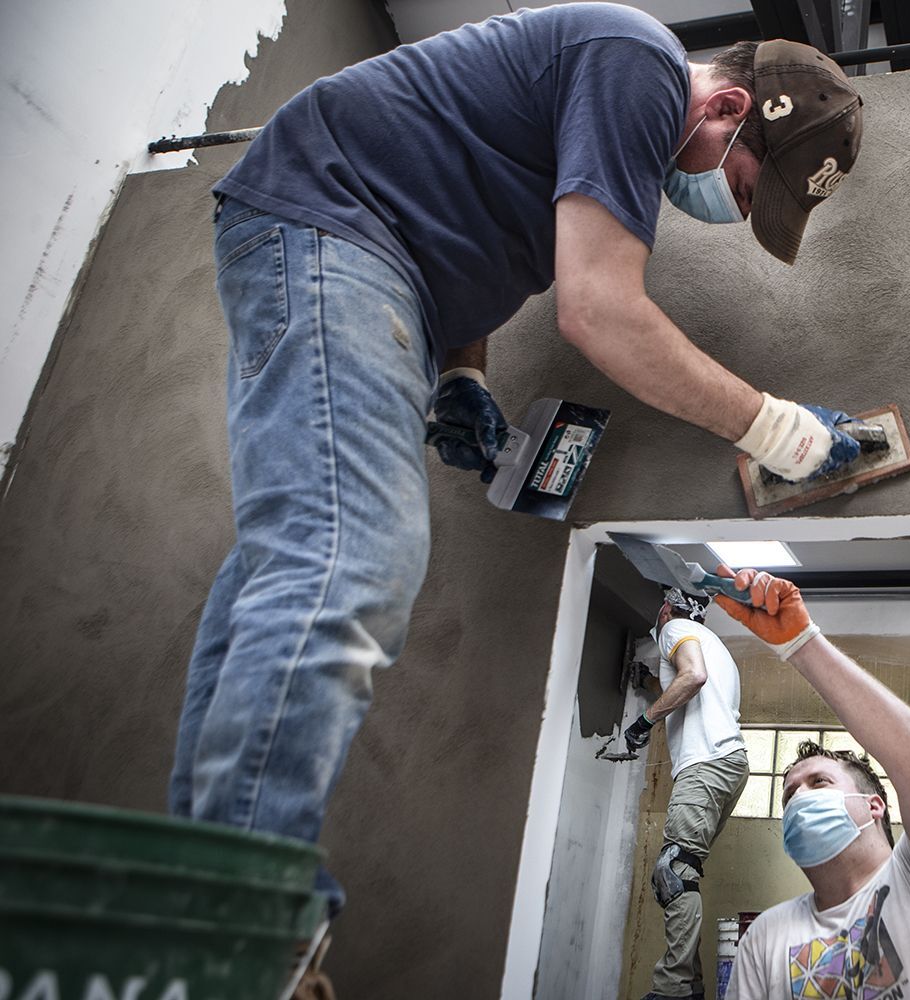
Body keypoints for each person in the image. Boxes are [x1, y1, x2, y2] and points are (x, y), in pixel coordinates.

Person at [164, 1, 866, 990]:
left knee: (282, 571)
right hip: (334, 224)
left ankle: (190, 888)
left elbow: (466, 213)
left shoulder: (599, 124)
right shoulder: (640, 63)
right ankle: (230, 911)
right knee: (358, 553)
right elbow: (598, 310)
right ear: (730, 106)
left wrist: (462, 373)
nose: (727, 211)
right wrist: (775, 427)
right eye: (744, 188)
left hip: (373, 257)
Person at [713, 567, 910, 999]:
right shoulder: (766, 937)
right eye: (789, 795)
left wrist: (799, 643)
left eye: (819, 782)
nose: (799, 798)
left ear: (874, 805)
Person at [617, 587, 750, 1000]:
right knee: (677, 874)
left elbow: (693, 676)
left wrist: (644, 721)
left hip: (706, 763)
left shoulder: (674, 628)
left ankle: (673, 990)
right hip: (728, 764)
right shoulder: (715, 647)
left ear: (667, 609)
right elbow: (688, 678)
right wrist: (650, 681)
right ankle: (689, 988)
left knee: (674, 872)